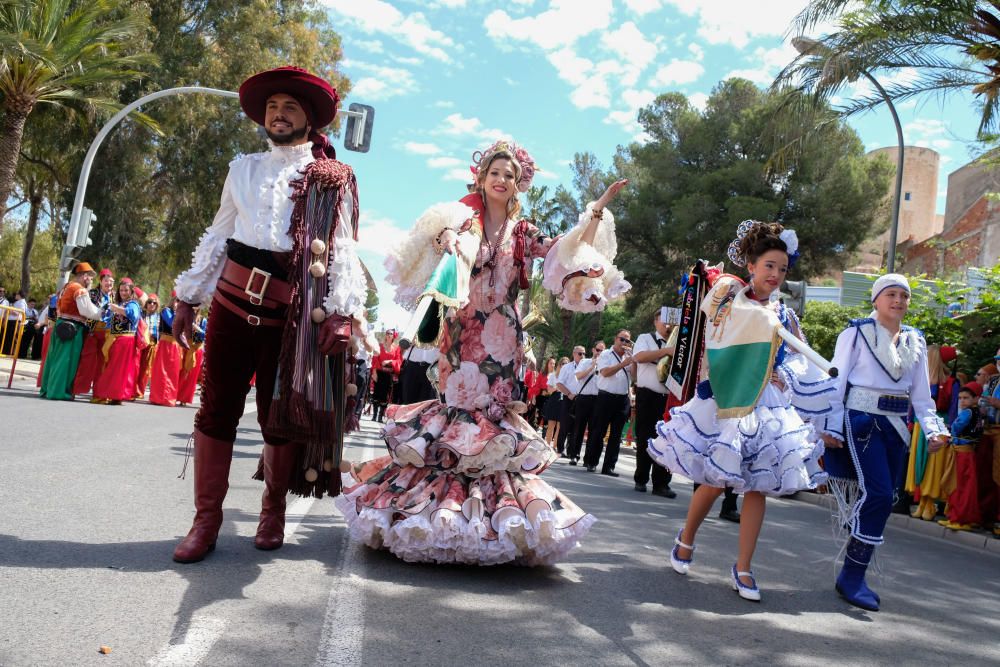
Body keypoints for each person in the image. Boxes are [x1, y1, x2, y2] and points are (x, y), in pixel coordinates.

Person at [337, 139, 629, 565]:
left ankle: (489, 523)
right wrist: (450, 237)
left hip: (504, 338)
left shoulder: (525, 233)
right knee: (455, 422)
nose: (502, 180)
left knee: (492, 425)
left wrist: (596, 211)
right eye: (495, 173)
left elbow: (566, 251)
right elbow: (440, 240)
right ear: (482, 177)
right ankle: (436, 519)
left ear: (517, 186)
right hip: (460, 332)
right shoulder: (464, 221)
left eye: (510, 176)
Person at [170, 66, 367, 563]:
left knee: (278, 419)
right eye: (273, 108)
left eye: (290, 108)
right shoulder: (243, 169)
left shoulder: (330, 178)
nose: (279, 115)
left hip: (290, 317)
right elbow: (219, 235)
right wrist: (188, 296)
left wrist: (343, 312)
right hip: (231, 306)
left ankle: (272, 510)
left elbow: (342, 248)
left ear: (309, 119)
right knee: (217, 410)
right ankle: (205, 521)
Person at [651, 221, 834, 602]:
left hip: (767, 404)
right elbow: (717, 334)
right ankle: (686, 538)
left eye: (783, 269)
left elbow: (799, 355)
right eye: (769, 265)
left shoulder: (785, 314)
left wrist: (783, 373)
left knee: (758, 486)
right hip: (729, 395)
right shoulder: (730, 296)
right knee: (716, 480)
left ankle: (744, 566)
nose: (776, 275)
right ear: (751, 265)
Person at [823, 274, 950, 611]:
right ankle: (852, 574)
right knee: (877, 494)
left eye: (904, 296)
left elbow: (921, 398)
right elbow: (835, 385)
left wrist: (934, 428)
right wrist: (832, 428)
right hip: (861, 420)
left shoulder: (916, 341)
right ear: (876, 299)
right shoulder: (855, 333)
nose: (898, 301)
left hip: (896, 428)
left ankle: (853, 572)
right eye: (891, 294)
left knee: (884, 497)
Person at [906, 344, 958, 521]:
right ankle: (922, 503)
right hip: (922, 425)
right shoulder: (923, 381)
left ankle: (930, 504)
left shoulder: (951, 383)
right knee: (921, 465)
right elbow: (914, 403)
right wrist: (910, 421)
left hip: (938, 427)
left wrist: (950, 428)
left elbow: (953, 408)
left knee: (933, 468)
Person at [39, 264, 106, 400]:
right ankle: (58, 392)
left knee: (54, 359)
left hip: (61, 324)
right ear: (84, 276)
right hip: (72, 328)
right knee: (66, 360)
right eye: (90, 278)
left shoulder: (67, 287)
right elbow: (86, 310)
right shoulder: (79, 289)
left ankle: (47, 389)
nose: (91, 281)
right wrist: (102, 313)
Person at [631, 308, 677, 497]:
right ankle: (641, 479)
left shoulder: (679, 343)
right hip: (648, 394)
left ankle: (661, 483)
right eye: (664, 320)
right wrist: (667, 351)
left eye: (671, 321)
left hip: (669, 398)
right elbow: (639, 357)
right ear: (655, 321)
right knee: (645, 438)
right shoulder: (645, 338)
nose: (668, 325)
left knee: (667, 440)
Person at [583, 329, 634, 476]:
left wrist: (634, 361)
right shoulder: (605, 354)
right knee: (599, 431)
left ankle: (609, 466)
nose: (624, 343)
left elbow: (634, 376)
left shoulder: (628, 357)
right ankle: (592, 462)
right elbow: (605, 372)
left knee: (616, 435)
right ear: (615, 339)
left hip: (622, 398)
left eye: (627, 341)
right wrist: (624, 363)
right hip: (606, 397)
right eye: (622, 339)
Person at [939, 382, 984, 530]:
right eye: (960, 398)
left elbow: (958, 426)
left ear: (976, 398)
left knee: (959, 485)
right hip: (967, 451)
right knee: (965, 485)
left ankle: (959, 519)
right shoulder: (978, 412)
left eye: (966, 398)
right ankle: (958, 517)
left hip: (962, 453)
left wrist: (950, 430)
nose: (962, 401)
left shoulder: (967, 413)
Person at [92, 278, 143, 405]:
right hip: (115, 339)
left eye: (126, 290)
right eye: (121, 290)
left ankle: (116, 395)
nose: (123, 292)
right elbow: (108, 320)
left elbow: (134, 315)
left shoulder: (133, 304)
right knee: (112, 367)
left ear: (131, 291)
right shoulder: (119, 304)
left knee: (120, 369)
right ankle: (110, 394)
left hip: (126, 340)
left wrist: (116, 309)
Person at [72, 268, 113, 396]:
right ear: (100, 281)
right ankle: (77, 389)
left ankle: (98, 391)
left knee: (103, 364)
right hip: (92, 331)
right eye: (106, 281)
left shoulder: (114, 296)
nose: (109, 284)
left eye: (111, 281)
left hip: (107, 334)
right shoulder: (92, 293)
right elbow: (88, 310)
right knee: (87, 361)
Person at [569, 340, 604, 466]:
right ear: (593, 350)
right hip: (583, 398)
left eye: (602, 350)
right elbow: (578, 376)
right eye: (598, 350)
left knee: (594, 430)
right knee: (579, 428)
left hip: (597, 400)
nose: (600, 353)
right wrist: (591, 367)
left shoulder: (605, 364)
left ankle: (588, 460)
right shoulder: (584, 362)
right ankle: (574, 455)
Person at [976, 356, 1000, 537]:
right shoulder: (994, 380)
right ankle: (984, 516)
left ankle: (996, 518)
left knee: (998, 475)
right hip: (988, 429)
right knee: (984, 475)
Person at [554, 345, 585, 457]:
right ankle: (560, 448)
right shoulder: (566, 367)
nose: (582, 356)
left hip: (581, 399)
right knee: (565, 425)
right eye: (580, 353)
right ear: (574, 354)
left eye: (584, 354)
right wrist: (568, 394)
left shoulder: (586, 367)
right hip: (568, 398)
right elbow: (559, 383)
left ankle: (571, 451)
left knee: (576, 426)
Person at [177, 311, 208, 406]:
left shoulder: (203, 320)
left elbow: (206, 334)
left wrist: (197, 328)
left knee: (191, 376)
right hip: (185, 348)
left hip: (196, 350)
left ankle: (184, 398)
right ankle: (176, 395)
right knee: (181, 373)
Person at [371, 330, 401, 421]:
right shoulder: (379, 347)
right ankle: (374, 416)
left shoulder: (396, 349)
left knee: (385, 395)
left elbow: (399, 361)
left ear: (393, 336)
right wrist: (374, 372)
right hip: (379, 373)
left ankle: (380, 416)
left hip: (388, 375)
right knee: (376, 394)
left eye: (390, 334)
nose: (388, 335)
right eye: (387, 333)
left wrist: (390, 361)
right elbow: (375, 359)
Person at [134, 293, 160, 399]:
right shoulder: (141, 313)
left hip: (151, 344)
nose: (152, 304)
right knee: (135, 366)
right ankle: (131, 389)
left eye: (154, 302)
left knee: (145, 369)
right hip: (139, 342)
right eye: (149, 302)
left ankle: (139, 391)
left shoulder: (159, 317)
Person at [398, 339, 438, 404]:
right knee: (408, 400)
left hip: (432, 367)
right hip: (412, 365)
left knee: (426, 403)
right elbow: (404, 342)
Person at [542, 356, 568, 448]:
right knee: (551, 425)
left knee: (560, 426)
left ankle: (554, 447)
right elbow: (549, 390)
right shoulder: (553, 375)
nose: (564, 365)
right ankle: (547, 446)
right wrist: (558, 387)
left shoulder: (569, 377)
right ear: (559, 365)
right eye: (562, 364)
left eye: (566, 364)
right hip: (554, 399)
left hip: (564, 400)